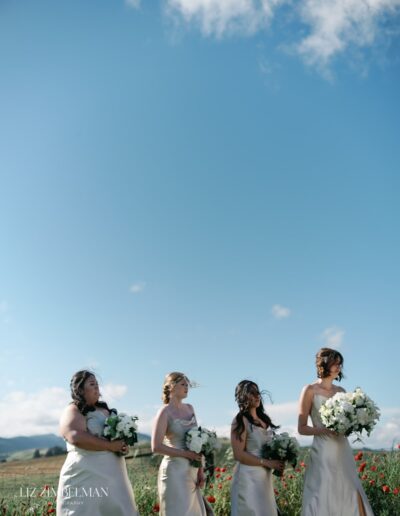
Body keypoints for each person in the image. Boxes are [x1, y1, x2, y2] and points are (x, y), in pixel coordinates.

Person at [298, 348, 374, 516]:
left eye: (340, 363)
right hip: (323, 449)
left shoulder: (341, 392)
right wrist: (324, 430)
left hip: (342, 448)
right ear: (324, 364)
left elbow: (348, 424)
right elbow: (301, 428)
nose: (339, 367)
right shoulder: (309, 390)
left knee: (350, 487)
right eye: (335, 363)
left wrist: (353, 423)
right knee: (323, 490)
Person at [57, 370, 138, 515]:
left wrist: (122, 446)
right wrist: (110, 446)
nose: (97, 387)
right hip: (86, 477)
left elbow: (115, 440)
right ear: (80, 389)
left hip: (114, 477)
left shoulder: (106, 410)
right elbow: (75, 436)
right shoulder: (74, 409)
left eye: (97, 384)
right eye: (92, 384)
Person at [151, 372, 213, 516]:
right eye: (183, 384)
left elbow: (198, 443)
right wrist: (186, 454)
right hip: (174, 472)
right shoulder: (164, 412)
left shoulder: (190, 408)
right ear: (171, 387)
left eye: (188, 385)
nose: (187, 387)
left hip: (191, 471)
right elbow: (156, 446)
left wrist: (201, 471)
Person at [230, 380, 284, 516]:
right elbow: (238, 455)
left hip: (264, 478)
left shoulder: (264, 420)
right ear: (243, 397)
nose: (257, 396)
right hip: (247, 478)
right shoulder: (240, 420)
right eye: (252, 393)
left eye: (258, 392)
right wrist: (267, 463)